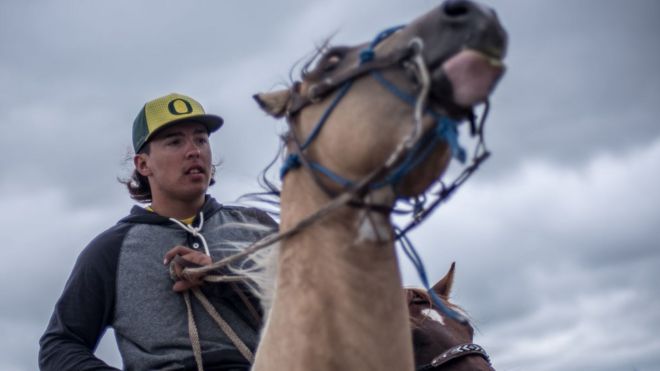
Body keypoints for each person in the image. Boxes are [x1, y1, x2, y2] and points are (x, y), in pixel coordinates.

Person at [39, 93, 277, 371]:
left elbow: (311, 309)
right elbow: (59, 345)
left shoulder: (254, 228)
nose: (194, 151)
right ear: (143, 164)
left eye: (201, 139)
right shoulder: (111, 250)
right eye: (175, 141)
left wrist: (224, 281)